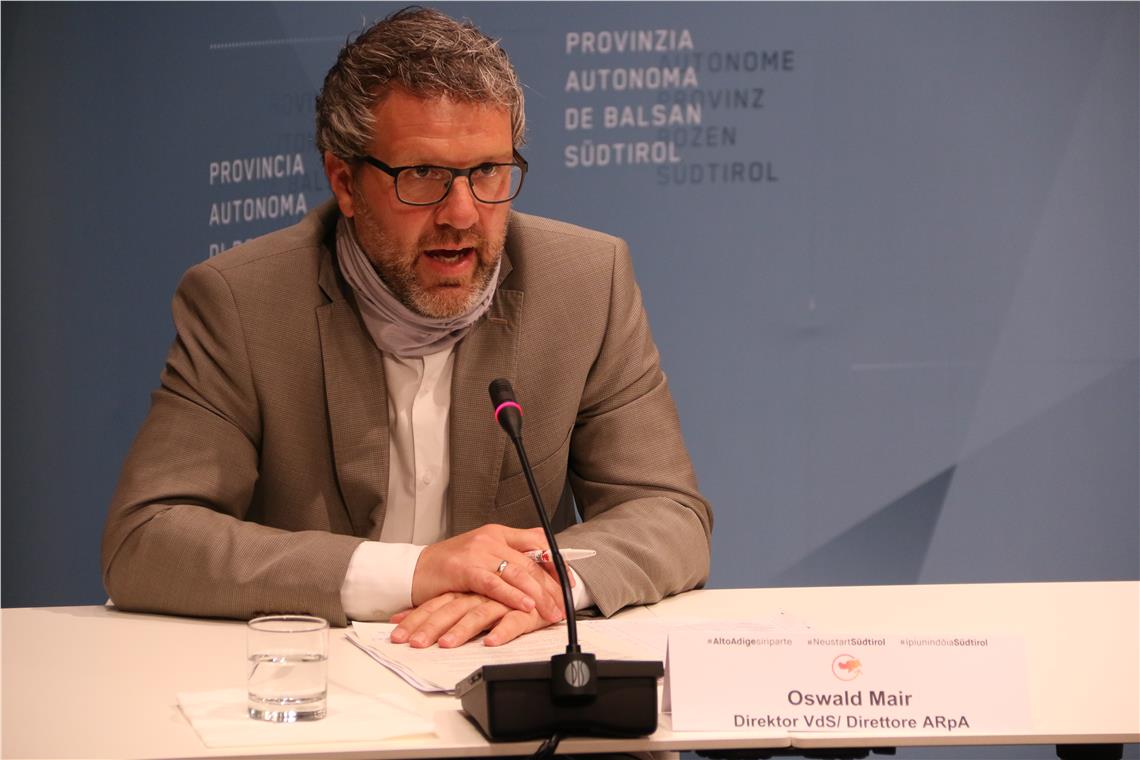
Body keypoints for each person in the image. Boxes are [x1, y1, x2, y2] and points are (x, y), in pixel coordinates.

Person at [101, 7, 711, 648]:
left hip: (503, 660)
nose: (462, 214)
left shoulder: (584, 283)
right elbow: (146, 538)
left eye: (488, 171)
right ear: (345, 182)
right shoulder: (244, 304)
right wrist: (412, 573)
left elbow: (669, 513)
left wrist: (544, 586)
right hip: (315, 674)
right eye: (422, 175)